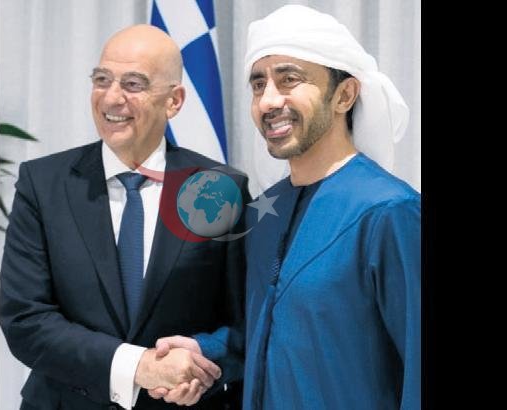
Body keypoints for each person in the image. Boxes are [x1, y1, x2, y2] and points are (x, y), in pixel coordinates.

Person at [149, 5, 420, 409]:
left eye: (289, 79)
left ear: (344, 95)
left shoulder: (390, 211)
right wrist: (205, 353)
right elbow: (273, 333)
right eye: (259, 85)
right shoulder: (264, 212)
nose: (268, 101)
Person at [0, 24, 248, 410]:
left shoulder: (221, 188)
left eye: (133, 84)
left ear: (174, 101)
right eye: (102, 80)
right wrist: (138, 367)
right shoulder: (43, 183)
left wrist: (201, 364)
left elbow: (246, 325)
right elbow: (25, 318)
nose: (111, 98)